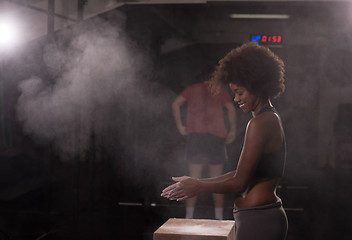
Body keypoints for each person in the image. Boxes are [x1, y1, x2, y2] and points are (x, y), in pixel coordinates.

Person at [162, 42, 287, 240]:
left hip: (260, 219)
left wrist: (198, 186)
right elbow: (239, 174)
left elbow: (239, 183)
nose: (236, 99)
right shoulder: (266, 118)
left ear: (258, 87)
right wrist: (196, 181)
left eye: (240, 92)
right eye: (234, 93)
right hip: (258, 217)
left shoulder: (261, 123)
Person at [172, 69, 236, 220]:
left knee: (192, 178)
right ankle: (219, 217)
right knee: (218, 179)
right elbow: (232, 109)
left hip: (196, 136)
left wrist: (180, 126)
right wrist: (232, 130)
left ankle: (189, 216)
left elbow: (176, 104)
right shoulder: (218, 89)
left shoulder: (192, 89)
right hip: (215, 137)